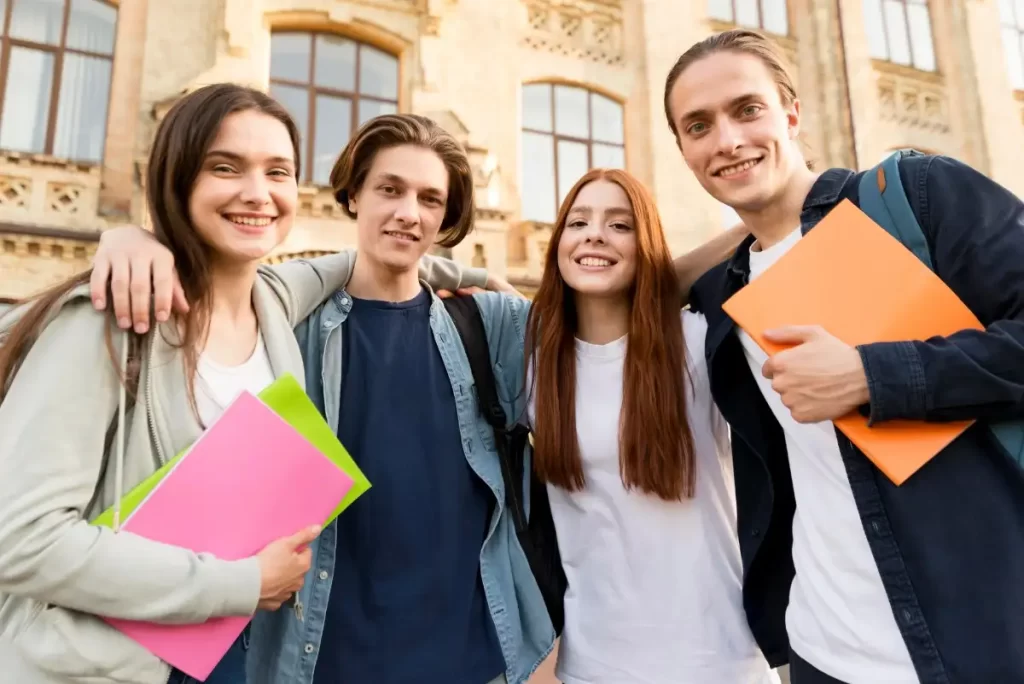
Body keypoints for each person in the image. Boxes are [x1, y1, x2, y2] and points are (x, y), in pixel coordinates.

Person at [0, 85, 483, 684]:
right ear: (178, 176)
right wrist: (243, 583)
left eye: (277, 171)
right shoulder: (109, 319)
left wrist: (477, 276)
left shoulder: (277, 300)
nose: (258, 193)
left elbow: (370, 259)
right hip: (103, 669)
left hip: (233, 657)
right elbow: (19, 541)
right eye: (225, 167)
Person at [665, 28, 1024, 683]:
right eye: (698, 126)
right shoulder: (722, 296)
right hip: (821, 651)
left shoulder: (914, 199)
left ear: (792, 114)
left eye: (747, 110)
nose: (727, 140)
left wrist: (873, 374)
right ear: (685, 151)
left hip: (973, 644)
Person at [521, 167, 776, 683]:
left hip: (718, 661)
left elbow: (775, 236)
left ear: (647, 246)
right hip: (594, 664)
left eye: (620, 225)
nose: (594, 234)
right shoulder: (533, 364)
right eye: (578, 222)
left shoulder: (700, 344)